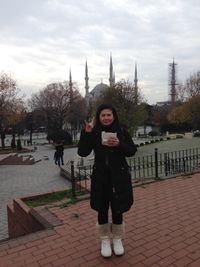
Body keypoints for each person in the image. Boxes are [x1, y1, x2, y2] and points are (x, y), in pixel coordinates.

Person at [77, 103, 137, 258]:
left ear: (113, 116)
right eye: (103, 115)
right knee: (102, 209)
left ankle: (117, 239)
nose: (106, 118)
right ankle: (104, 240)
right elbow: (83, 152)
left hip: (119, 178)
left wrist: (119, 144)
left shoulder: (122, 131)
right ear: (98, 117)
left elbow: (132, 151)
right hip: (101, 178)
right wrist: (87, 133)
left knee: (118, 209)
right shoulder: (94, 133)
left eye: (109, 115)